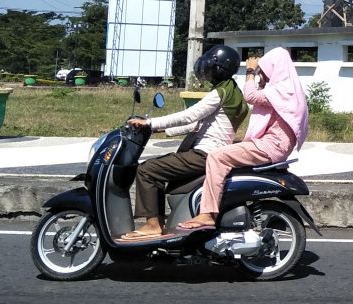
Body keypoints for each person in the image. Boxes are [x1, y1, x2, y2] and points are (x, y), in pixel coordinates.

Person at [120, 45, 249, 240]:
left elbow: (190, 116)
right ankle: (168, 227)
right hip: (211, 152)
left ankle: (153, 224)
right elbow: (198, 124)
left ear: (219, 69)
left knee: (147, 170)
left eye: (211, 67)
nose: (206, 71)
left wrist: (150, 122)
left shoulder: (220, 93)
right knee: (171, 183)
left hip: (204, 154)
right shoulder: (232, 91)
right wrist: (159, 129)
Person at [175, 46, 308, 232]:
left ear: (276, 68)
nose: (264, 75)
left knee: (216, 156)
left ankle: (207, 214)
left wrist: (251, 72)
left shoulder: (283, 89)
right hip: (273, 146)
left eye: (266, 71)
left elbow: (250, 96)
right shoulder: (290, 89)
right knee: (229, 149)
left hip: (269, 147)